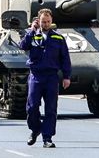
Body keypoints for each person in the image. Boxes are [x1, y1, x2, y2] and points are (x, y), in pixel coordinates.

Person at [20, 8, 70, 149]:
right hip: (36, 76)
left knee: (51, 109)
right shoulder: (32, 35)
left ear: (51, 21)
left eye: (48, 21)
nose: (46, 24)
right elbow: (23, 46)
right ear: (38, 21)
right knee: (32, 107)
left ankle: (47, 138)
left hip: (51, 77)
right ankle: (35, 129)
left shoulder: (58, 38)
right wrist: (31, 30)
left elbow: (65, 58)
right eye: (43, 21)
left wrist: (66, 76)